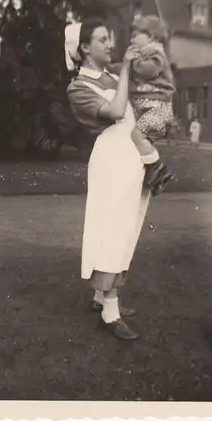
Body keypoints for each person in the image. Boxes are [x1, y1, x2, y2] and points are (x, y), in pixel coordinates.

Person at [65, 18, 151, 341]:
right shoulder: (78, 87)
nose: (109, 44)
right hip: (110, 159)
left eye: (109, 39)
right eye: (102, 40)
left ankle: (102, 296)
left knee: (128, 226)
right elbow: (115, 112)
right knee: (113, 229)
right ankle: (109, 313)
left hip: (129, 155)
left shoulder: (111, 76)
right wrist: (127, 69)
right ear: (86, 48)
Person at [127, 15, 176, 194]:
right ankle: (153, 174)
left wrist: (133, 61)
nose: (131, 40)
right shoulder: (142, 54)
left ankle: (157, 167)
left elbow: (146, 70)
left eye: (135, 35)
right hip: (149, 107)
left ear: (151, 37)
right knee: (139, 140)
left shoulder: (156, 53)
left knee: (137, 135)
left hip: (158, 107)